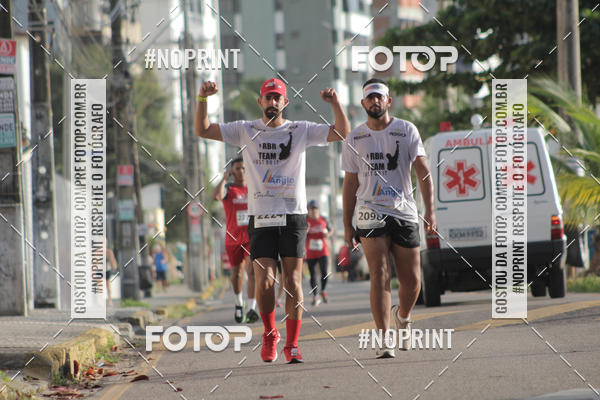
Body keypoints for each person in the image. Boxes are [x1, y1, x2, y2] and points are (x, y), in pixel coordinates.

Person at [195, 78, 349, 363]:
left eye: (278, 98)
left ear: (285, 102)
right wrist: (203, 98)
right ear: (260, 102)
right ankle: (269, 333)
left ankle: (292, 344)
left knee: (292, 280)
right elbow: (203, 129)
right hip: (261, 216)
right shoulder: (245, 130)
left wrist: (336, 103)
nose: (273, 102)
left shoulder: (300, 130)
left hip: (293, 215)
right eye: (268, 97)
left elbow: (341, 132)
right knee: (265, 280)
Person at [342, 78, 436, 359]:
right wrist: (347, 224)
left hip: (403, 209)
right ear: (363, 103)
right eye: (370, 97)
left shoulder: (406, 130)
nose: (375, 101)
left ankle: (403, 316)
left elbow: (423, 171)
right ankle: (384, 338)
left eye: (379, 97)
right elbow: (350, 183)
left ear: (388, 101)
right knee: (379, 273)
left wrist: (430, 210)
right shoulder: (354, 138)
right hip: (370, 210)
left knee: (412, 280)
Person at [212, 157, 259, 324]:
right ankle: (239, 302)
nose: (241, 171)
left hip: (251, 237)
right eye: (238, 168)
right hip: (233, 238)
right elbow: (216, 196)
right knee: (236, 273)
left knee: (251, 271)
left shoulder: (254, 188)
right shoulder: (228, 189)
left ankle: (252, 308)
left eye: (244, 168)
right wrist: (224, 179)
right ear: (232, 171)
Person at [305, 200, 333, 306]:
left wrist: (328, 234)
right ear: (308, 210)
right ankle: (315, 295)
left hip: (323, 251)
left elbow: (331, 229)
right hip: (310, 252)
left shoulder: (323, 219)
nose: (314, 211)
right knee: (313, 274)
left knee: (324, 273)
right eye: (311, 209)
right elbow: (301, 234)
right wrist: (306, 231)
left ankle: (323, 290)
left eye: (315, 209)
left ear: (318, 210)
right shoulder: (306, 221)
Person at [104, 239, 117, 306]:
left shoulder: (109, 252)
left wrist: (114, 266)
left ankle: (110, 300)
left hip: (107, 270)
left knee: (108, 285)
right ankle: (99, 300)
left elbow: (113, 260)